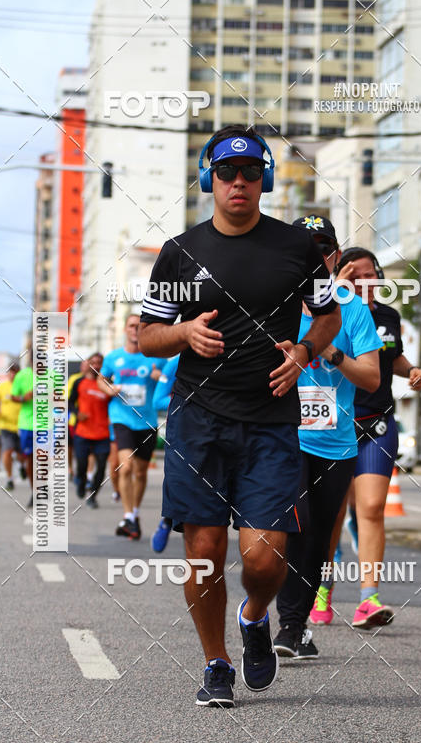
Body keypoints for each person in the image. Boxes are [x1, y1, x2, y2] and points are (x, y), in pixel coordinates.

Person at [138, 124, 340, 708]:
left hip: (272, 421)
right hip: (199, 419)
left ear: (265, 180)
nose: (239, 182)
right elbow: (148, 335)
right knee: (203, 550)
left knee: (264, 556)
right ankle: (216, 663)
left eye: (251, 171)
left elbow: (327, 314)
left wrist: (303, 352)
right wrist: (183, 332)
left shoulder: (295, 248)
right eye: (227, 172)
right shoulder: (181, 251)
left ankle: (255, 617)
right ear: (209, 178)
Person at [273, 221, 382, 659]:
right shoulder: (273, 301)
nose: (316, 256)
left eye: (324, 248)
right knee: (281, 531)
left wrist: (331, 353)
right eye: (307, 247)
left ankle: (295, 628)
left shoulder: (352, 309)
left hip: (334, 443)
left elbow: (372, 378)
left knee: (318, 538)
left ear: (335, 257)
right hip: (280, 435)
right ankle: (278, 621)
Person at [310, 248, 421, 629]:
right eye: (353, 275)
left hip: (376, 423)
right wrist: (337, 295)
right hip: (335, 425)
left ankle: (368, 598)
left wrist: (411, 370)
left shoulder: (388, 316)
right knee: (331, 515)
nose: (362, 281)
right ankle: (321, 591)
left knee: (373, 508)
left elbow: (389, 358)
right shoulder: (329, 311)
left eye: (368, 275)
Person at [99, 314, 164, 539]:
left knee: (141, 472)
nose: (135, 330)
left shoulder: (155, 358)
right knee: (125, 467)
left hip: (147, 421)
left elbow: (170, 380)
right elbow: (102, 378)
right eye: (131, 326)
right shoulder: (114, 357)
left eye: (139, 326)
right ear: (125, 329)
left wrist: (160, 377)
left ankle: (134, 513)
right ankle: (127, 515)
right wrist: (109, 389)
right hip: (122, 418)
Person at [68, 352, 111, 509]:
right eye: (93, 362)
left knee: (101, 466)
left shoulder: (107, 383)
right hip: (83, 432)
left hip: (102, 432)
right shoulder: (79, 382)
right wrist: (76, 413)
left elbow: (115, 402)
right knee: (82, 463)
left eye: (99, 362)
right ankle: (80, 481)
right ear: (88, 364)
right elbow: (70, 403)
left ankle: (93, 496)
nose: (96, 365)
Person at [150, 355, 179, 553]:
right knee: (177, 484)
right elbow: (158, 401)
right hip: (184, 435)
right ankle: (167, 521)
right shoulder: (175, 363)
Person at [0, 362, 21, 490]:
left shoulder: (24, 387)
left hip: (22, 426)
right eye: (10, 371)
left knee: (22, 455)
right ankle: (9, 478)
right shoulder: (1, 388)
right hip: (5, 426)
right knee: (7, 451)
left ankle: (22, 466)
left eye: (15, 372)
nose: (12, 374)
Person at [11, 354, 34, 508]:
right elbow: (13, 397)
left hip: (47, 425)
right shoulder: (22, 375)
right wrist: (24, 398)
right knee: (31, 459)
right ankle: (35, 491)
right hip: (27, 424)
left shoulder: (53, 375)